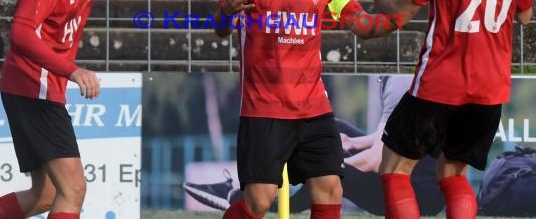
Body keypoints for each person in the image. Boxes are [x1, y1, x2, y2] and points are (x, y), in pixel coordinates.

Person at [0, 0, 250, 219]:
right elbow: (21, 33)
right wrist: (74, 70)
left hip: (38, 88)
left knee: (46, 194)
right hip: (31, 87)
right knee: (73, 189)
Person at [344, 0, 533, 219]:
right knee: (454, 174)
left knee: (395, 169)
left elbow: (398, 14)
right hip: (489, 91)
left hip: (440, 86)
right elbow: (524, 16)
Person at [214, 0, 394, 219]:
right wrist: (226, 10)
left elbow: (362, 24)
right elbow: (222, 27)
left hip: (314, 107)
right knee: (258, 202)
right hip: (264, 108)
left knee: (330, 188)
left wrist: (390, 4)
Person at [183, 75, 444, 215]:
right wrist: (351, 143)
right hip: (410, 176)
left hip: (417, 196)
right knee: (334, 130)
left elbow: (377, 160)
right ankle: (249, 188)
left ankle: (252, 197)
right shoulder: (401, 74)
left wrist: (319, 167)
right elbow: (385, 137)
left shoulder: (401, 81)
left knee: (327, 169)